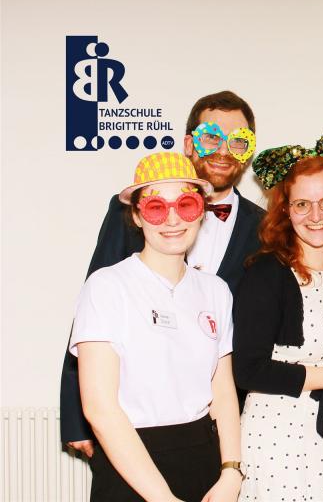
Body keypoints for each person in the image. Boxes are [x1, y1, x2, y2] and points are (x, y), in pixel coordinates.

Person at [60, 90, 265, 457]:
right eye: (211, 137)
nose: (223, 150)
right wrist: (77, 417)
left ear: (247, 150)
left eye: (237, 141)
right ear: (188, 143)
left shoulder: (267, 227)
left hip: (224, 414)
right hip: (130, 415)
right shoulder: (129, 213)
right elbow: (92, 310)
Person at [69, 152, 242, 501]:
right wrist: (162, 498)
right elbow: (100, 409)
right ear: (137, 215)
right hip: (129, 460)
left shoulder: (216, 291)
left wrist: (231, 471)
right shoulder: (107, 286)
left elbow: (223, 391)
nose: (173, 219)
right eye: (156, 208)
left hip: (203, 458)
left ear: (202, 210)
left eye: (186, 204)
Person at [233, 121, 323, 502]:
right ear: (286, 209)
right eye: (301, 204)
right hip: (282, 445)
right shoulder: (268, 272)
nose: (316, 216)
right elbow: (248, 369)